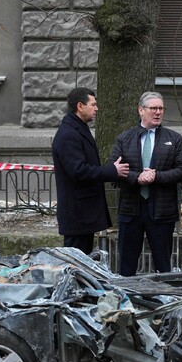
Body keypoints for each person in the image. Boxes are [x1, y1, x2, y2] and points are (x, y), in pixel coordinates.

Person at [109, 92, 182, 275]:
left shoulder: (174, 139)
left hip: (162, 212)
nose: (158, 112)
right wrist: (136, 177)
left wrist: (157, 176)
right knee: (126, 266)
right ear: (141, 110)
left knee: (163, 266)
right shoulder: (125, 139)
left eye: (161, 108)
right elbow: (113, 170)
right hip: (131, 211)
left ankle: (162, 300)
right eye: (153, 108)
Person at [52, 87, 129, 254]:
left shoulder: (77, 128)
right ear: (80, 106)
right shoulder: (69, 134)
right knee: (76, 264)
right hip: (77, 216)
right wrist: (112, 171)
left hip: (83, 215)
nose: (96, 108)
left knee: (81, 263)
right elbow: (79, 171)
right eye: (93, 104)